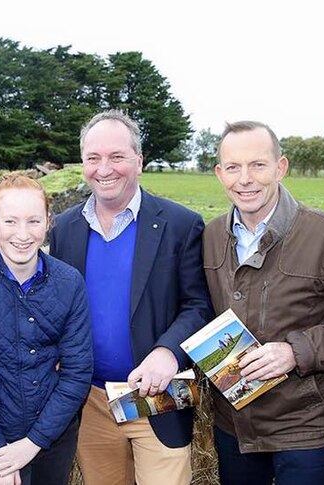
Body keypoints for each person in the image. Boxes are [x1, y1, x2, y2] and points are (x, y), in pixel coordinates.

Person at [202, 120, 324, 485]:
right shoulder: (210, 236)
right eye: (233, 167)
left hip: (303, 426)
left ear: (280, 167)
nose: (245, 179)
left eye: (258, 165)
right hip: (234, 424)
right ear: (219, 173)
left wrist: (296, 351)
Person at [49, 110, 212, 485]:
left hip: (157, 399)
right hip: (90, 401)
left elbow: (198, 304)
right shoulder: (65, 229)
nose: (104, 168)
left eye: (116, 156)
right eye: (93, 158)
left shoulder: (180, 224)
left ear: (139, 161)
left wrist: (167, 351)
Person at [0, 173, 93, 485]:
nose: (22, 234)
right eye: (10, 221)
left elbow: (77, 372)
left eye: (33, 221)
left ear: (48, 221)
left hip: (54, 437)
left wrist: (34, 442)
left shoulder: (70, 283)